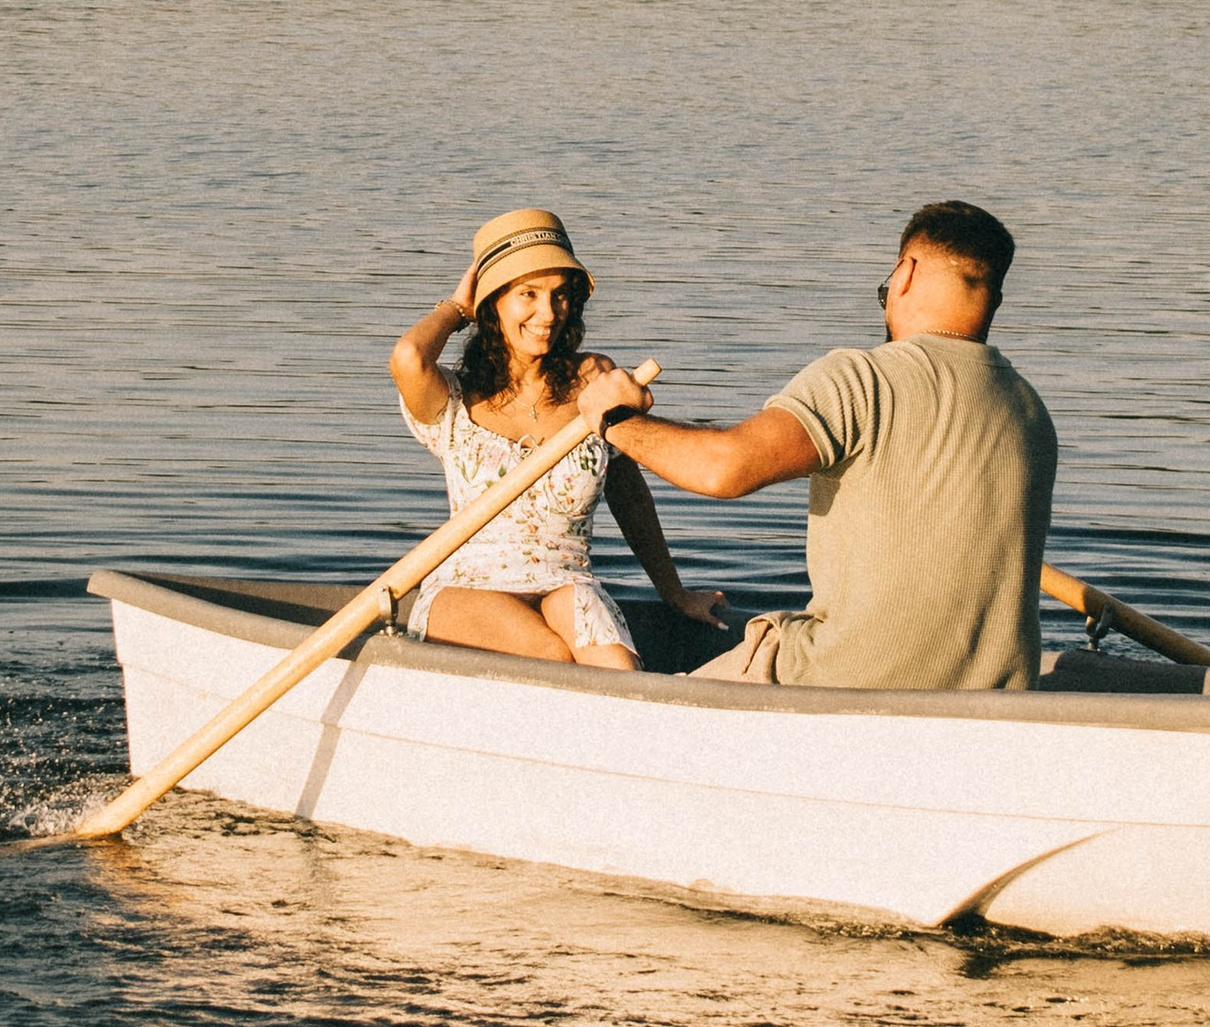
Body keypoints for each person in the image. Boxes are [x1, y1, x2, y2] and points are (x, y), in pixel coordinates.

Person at [580, 201, 1055, 693]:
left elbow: (722, 469)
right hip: (995, 694)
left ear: (904, 274)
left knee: (652, 704)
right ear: (995, 298)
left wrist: (614, 420)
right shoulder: (1030, 411)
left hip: (843, 679)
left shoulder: (864, 378)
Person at [389, 209, 729, 667]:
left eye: (560, 294)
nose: (548, 314)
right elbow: (408, 357)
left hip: (568, 580)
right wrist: (457, 310)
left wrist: (675, 594)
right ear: (493, 303)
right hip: (466, 587)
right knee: (549, 656)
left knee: (618, 670)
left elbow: (629, 494)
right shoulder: (454, 398)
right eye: (528, 294)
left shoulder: (594, 384)